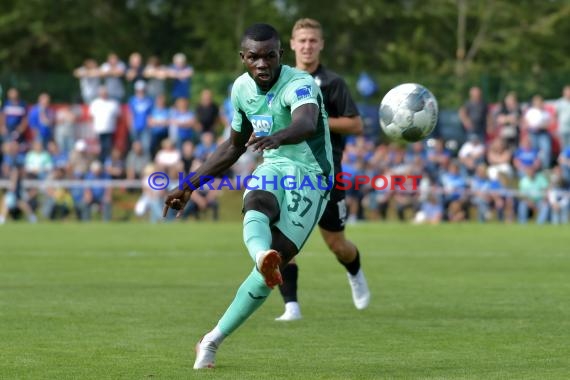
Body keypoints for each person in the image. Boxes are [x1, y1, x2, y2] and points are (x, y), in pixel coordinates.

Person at [162, 23, 333, 369]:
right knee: (258, 202)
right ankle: (260, 256)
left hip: (312, 177)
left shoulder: (299, 83)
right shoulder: (241, 89)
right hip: (274, 164)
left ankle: (211, 339)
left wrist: (280, 136)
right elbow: (233, 147)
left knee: (282, 255)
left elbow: (307, 122)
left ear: (280, 56)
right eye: (253, 57)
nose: (262, 64)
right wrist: (189, 184)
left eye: (269, 56)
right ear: (243, 58)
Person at [274, 18, 370, 321]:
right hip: (288, 170)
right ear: (291, 44)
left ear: (321, 45)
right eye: (301, 40)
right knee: (282, 241)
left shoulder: (332, 83)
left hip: (326, 172)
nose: (307, 46)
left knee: (337, 244)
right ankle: (291, 306)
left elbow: (355, 124)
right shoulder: (279, 80)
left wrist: (312, 120)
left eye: (313, 40)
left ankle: (355, 272)